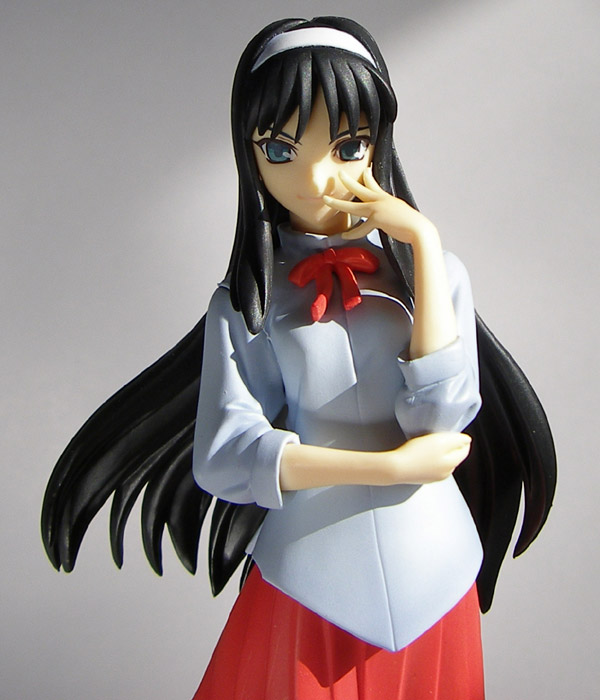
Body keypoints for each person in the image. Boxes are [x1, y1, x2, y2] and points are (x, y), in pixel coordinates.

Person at [42, 17, 556, 700]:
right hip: (312, 576)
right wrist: (386, 468)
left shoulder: (433, 276)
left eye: (348, 145)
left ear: (379, 141)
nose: (316, 177)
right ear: (248, 153)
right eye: (281, 148)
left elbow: (441, 416)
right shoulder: (247, 303)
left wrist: (425, 248)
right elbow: (225, 454)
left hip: (435, 567)